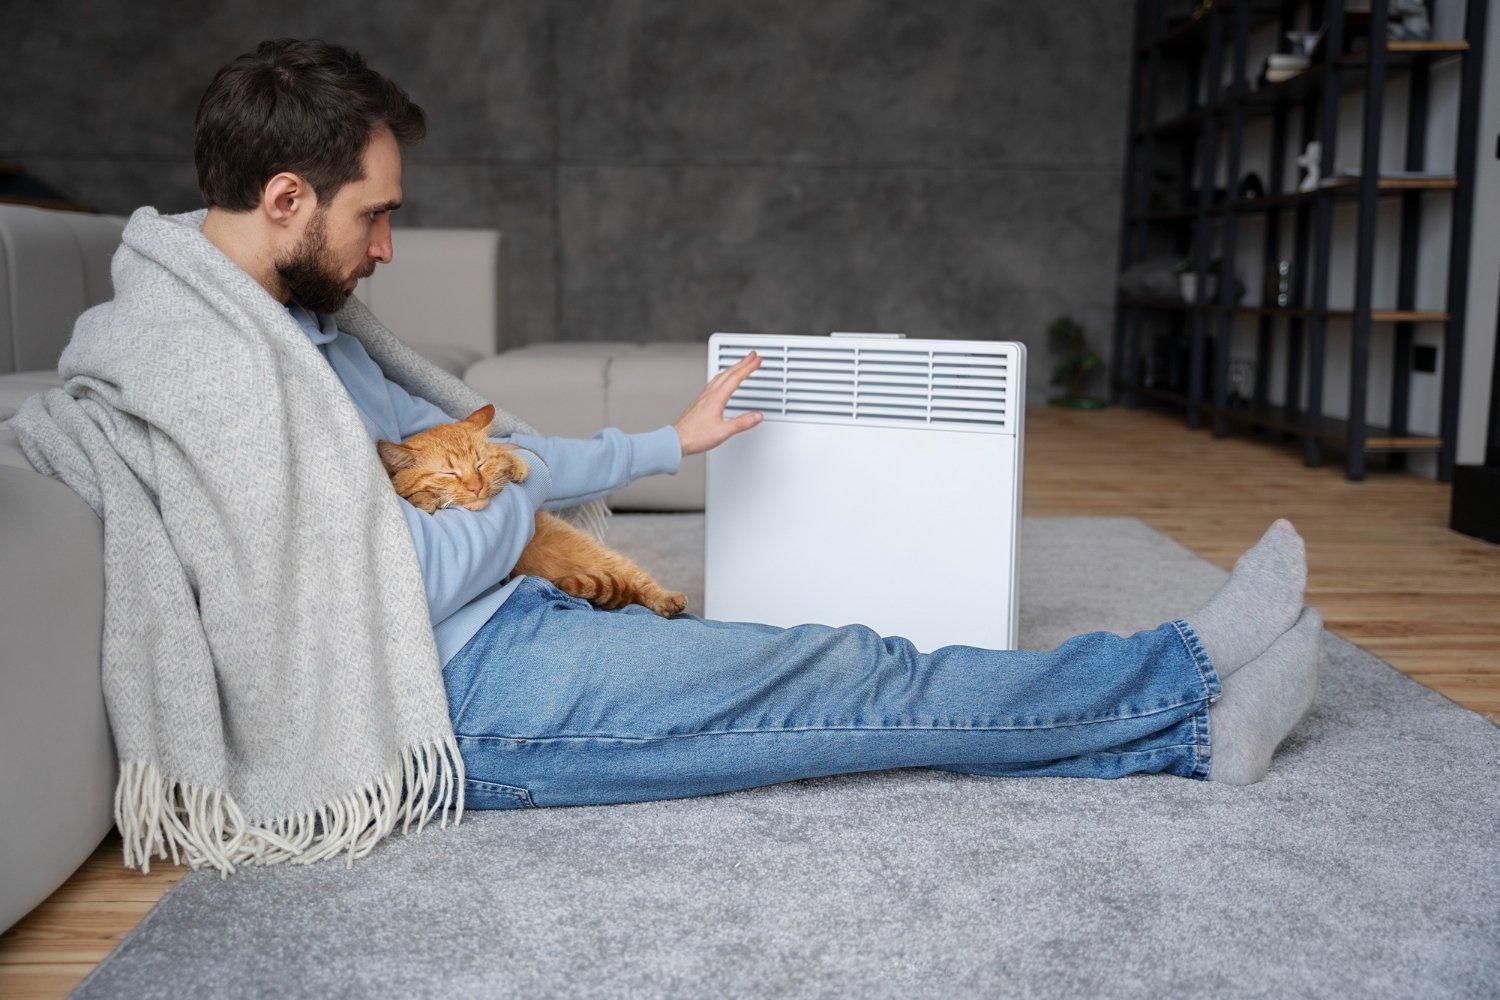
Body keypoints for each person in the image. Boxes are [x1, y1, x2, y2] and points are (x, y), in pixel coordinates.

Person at [17, 39, 1319, 870]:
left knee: (830, 679)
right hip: (459, 699)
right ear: (287, 198)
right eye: (378, 216)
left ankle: (1185, 731)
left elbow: (488, 463)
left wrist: (659, 443)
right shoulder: (204, 363)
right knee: (836, 676)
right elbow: (390, 576)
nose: (390, 250)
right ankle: (1182, 680)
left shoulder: (293, 315)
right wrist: (510, 520)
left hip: (497, 629)